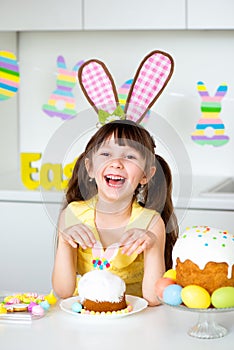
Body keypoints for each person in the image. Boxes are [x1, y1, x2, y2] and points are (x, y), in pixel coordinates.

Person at [52, 120, 178, 306]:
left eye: (130, 156)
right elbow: (63, 292)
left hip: (133, 320)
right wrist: (64, 241)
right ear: (90, 168)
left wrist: (151, 246)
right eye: (106, 154)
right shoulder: (72, 214)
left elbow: (153, 299)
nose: (117, 163)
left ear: (146, 175)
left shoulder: (151, 223)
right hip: (85, 315)